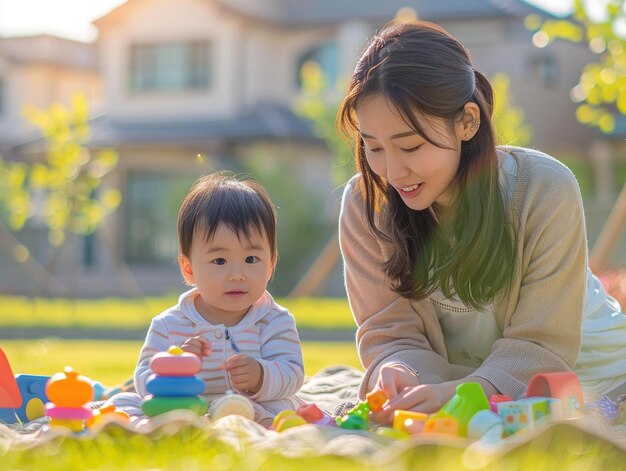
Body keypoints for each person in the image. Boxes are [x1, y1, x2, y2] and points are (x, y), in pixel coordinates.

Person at [337, 20, 626, 424]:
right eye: (373, 147)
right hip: (464, 382)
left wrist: (461, 393)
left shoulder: (543, 188)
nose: (393, 170)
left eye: (410, 146)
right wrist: (404, 370)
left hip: (588, 374)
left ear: (468, 122)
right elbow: (390, 331)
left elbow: (542, 342)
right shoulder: (366, 204)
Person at [112, 172, 305, 426]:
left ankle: (240, 423)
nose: (237, 275)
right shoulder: (169, 325)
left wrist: (261, 375)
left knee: (286, 407)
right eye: (219, 261)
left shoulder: (274, 320)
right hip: (187, 407)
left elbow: (293, 373)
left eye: (251, 260)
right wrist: (175, 364)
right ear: (189, 269)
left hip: (252, 407)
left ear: (271, 264)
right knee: (123, 403)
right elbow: (143, 377)